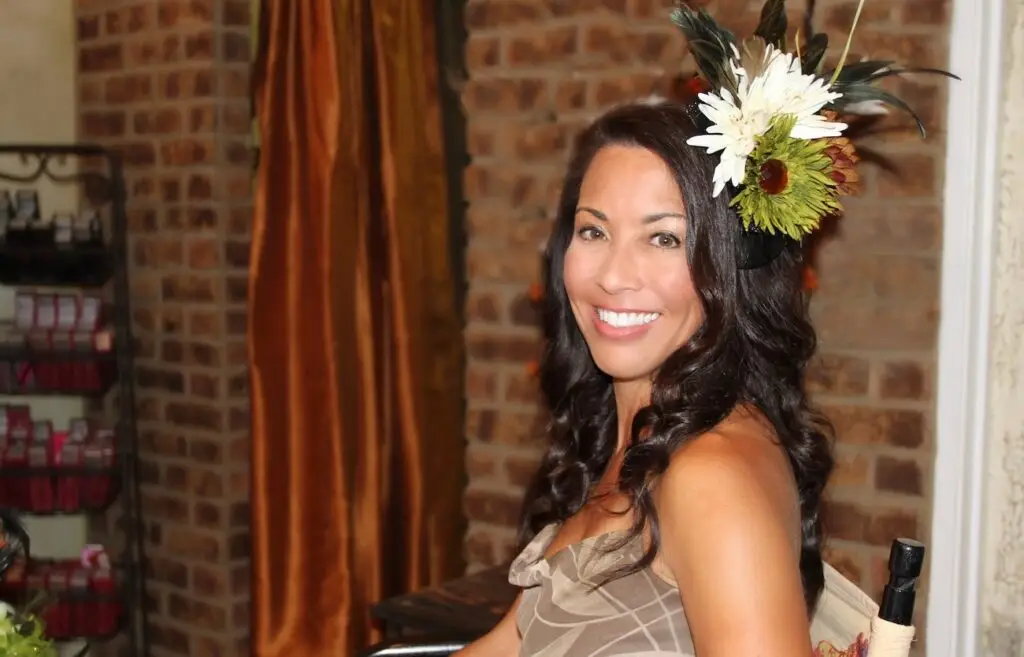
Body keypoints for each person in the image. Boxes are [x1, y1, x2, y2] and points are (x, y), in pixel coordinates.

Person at [454, 2, 951, 655]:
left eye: (663, 238)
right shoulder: (638, 437)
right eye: (593, 230)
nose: (613, 275)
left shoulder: (708, 473)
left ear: (725, 269)